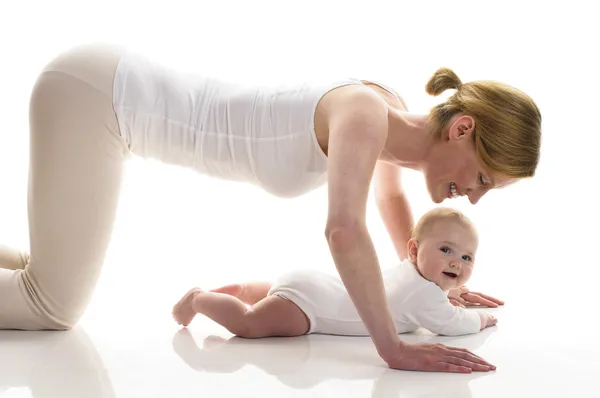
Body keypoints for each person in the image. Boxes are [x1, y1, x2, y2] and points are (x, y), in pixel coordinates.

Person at [0, 43, 541, 374]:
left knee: (44, 271)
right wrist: (392, 347)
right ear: (463, 129)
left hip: (104, 88)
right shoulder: (367, 114)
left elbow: (390, 199)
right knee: (51, 306)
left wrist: (430, 281)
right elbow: (344, 231)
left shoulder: (387, 116)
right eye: (483, 178)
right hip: (98, 99)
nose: (473, 197)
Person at [172, 207, 498, 345]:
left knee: (275, 293)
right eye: (446, 250)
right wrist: (482, 320)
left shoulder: (409, 272)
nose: (457, 262)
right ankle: (199, 299)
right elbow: (453, 324)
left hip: (315, 284)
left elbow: (419, 297)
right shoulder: (424, 297)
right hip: (310, 310)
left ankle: (245, 289)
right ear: (414, 250)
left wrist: (448, 292)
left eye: (467, 257)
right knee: (250, 325)